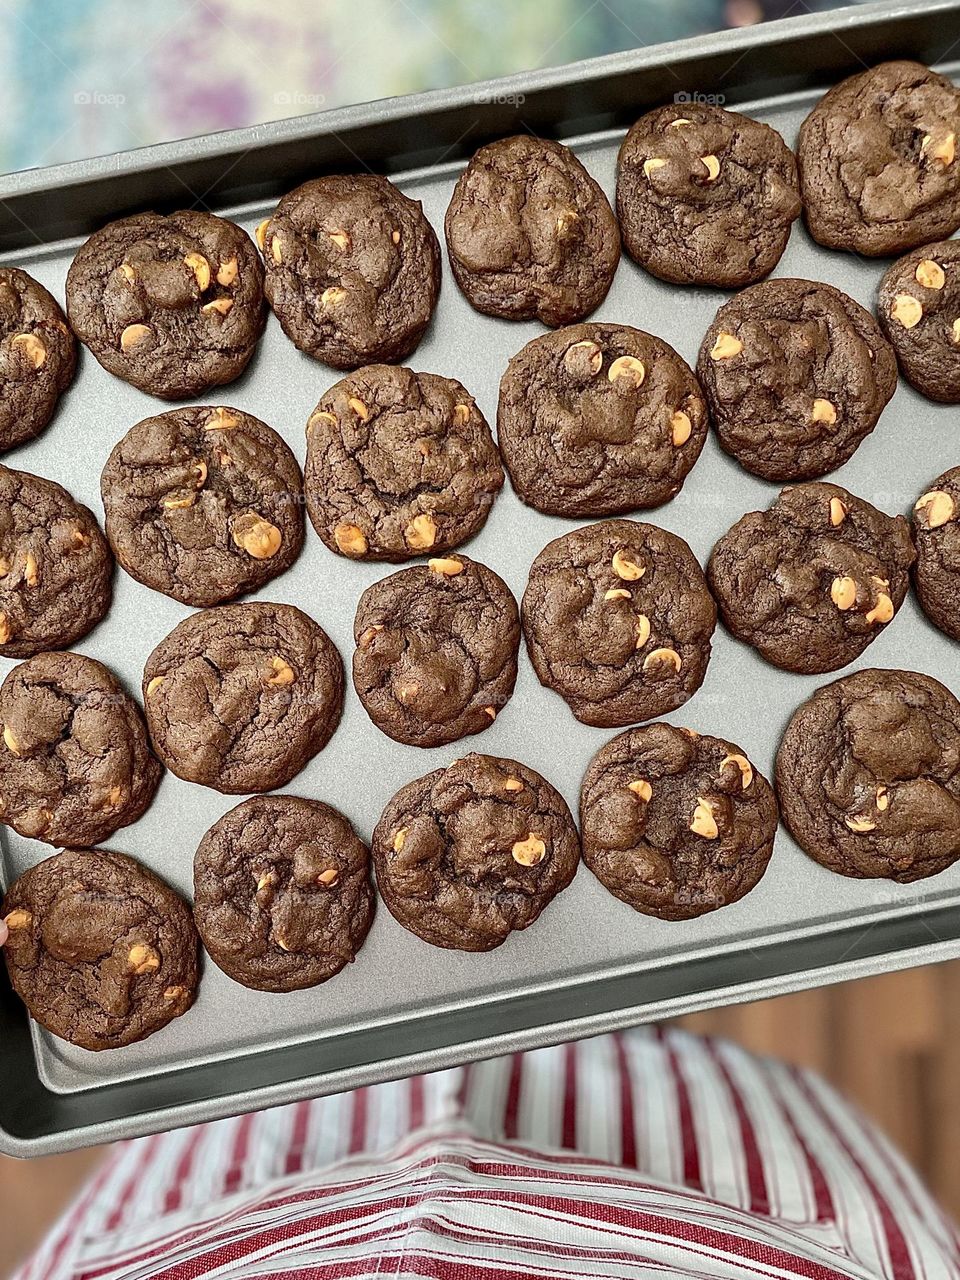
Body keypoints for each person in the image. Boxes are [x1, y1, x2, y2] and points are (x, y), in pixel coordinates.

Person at [13, 1024, 960, 1280]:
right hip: (741, 1216)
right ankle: (619, 1006)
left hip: (228, 1194)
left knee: (270, 1074)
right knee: (658, 1053)